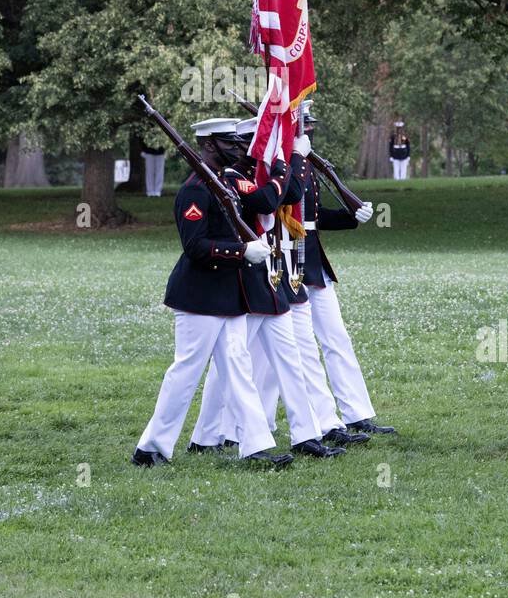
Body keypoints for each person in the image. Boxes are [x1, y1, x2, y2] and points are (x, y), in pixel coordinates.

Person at [132, 117, 293, 469]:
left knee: (238, 370)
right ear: (208, 146)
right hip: (200, 298)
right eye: (229, 142)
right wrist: (240, 252)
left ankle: (255, 446)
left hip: (228, 297)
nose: (238, 148)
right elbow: (195, 245)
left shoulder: (227, 184)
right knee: (186, 372)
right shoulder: (196, 189)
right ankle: (151, 447)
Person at [188, 119, 346, 460]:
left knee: (289, 359)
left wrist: (290, 159)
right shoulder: (232, 178)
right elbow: (265, 200)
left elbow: (291, 194)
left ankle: (307, 435)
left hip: (272, 275)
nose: (244, 147)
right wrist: (284, 162)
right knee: (229, 363)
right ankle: (206, 435)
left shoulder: (258, 171)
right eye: (242, 142)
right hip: (245, 278)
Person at [297, 104, 396, 435]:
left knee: (336, 338)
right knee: (282, 353)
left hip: (314, 262)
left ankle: (357, 414)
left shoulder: (305, 162)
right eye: (302, 124)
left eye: (309, 124)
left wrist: (352, 217)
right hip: (288, 262)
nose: (308, 129)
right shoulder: (284, 163)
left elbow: (314, 216)